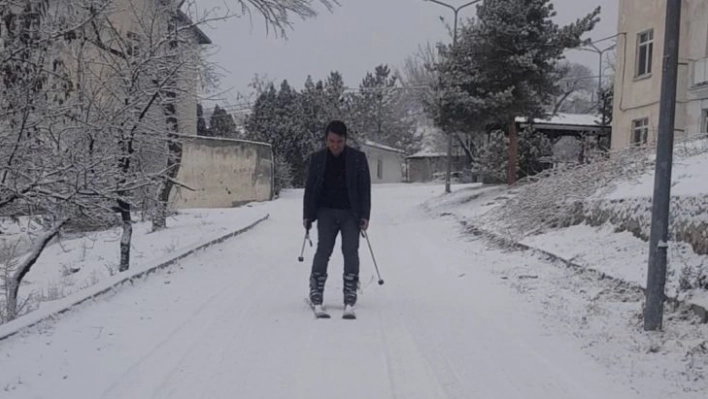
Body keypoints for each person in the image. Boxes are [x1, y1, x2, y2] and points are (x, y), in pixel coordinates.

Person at [303, 120, 371, 315]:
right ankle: (316, 291)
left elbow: (365, 189)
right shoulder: (317, 159)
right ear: (326, 140)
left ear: (345, 140)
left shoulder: (358, 158)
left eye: (339, 141)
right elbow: (310, 189)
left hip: (351, 213)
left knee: (351, 251)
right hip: (325, 212)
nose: (335, 145)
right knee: (323, 250)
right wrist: (307, 215)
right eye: (331, 141)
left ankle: (350, 292)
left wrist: (365, 215)